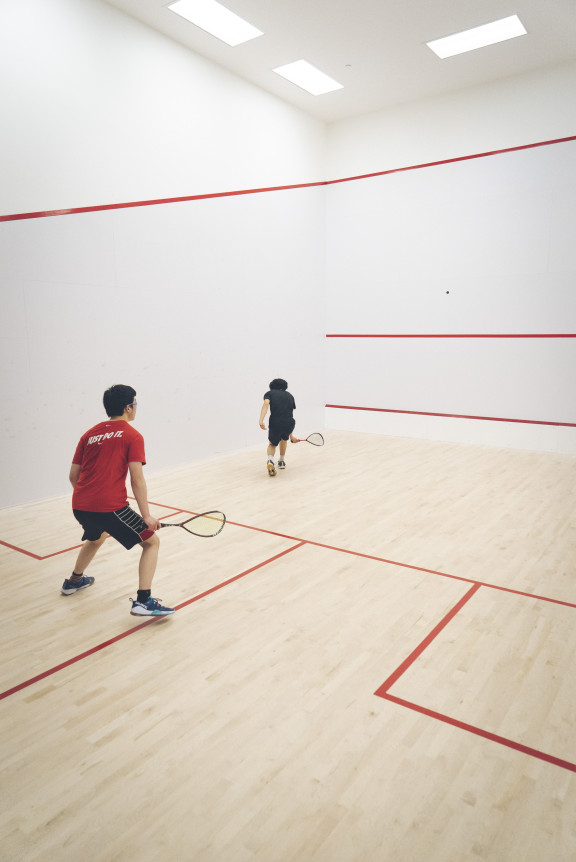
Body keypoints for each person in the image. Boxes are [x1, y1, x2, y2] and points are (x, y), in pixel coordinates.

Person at [61, 384, 174, 617]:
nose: (135, 408)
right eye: (135, 404)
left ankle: (74, 581)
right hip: (110, 507)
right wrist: (147, 516)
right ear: (128, 408)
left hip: (80, 505)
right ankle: (143, 601)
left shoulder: (89, 434)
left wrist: (89, 498)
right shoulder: (133, 435)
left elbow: (74, 476)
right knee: (151, 542)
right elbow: (137, 480)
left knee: (96, 537)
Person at [259, 378, 299, 476]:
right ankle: (281, 461)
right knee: (284, 440)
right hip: (289, 422)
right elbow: (289, 413)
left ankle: (270, 460)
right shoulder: (290, 396)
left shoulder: (269, 393)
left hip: (275, 422)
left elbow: (266, 403)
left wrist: (261, 420)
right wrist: (291, 436)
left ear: (272, 386)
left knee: (272, 444)